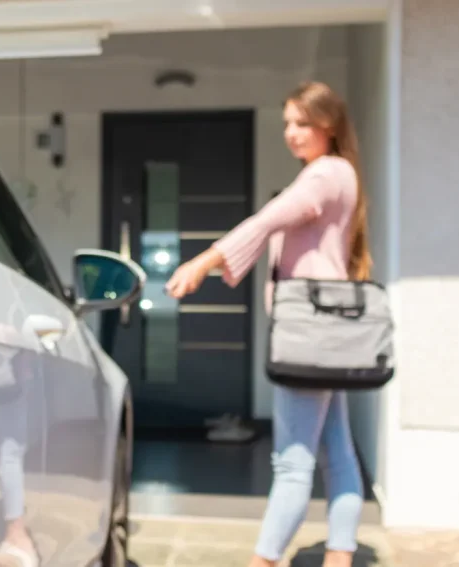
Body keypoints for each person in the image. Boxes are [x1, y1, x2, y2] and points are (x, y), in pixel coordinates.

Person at [164, 81, 370, 567]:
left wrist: (204, 261)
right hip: (326, 333)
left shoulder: (324, 174)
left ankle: (265, 561)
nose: (291, 134)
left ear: (329, 125)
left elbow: (268, 219)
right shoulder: (339, 173)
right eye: (286, 124)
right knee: (337, 451)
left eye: (302, 123)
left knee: (292, 463)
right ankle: (339, 558)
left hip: (308, 335)